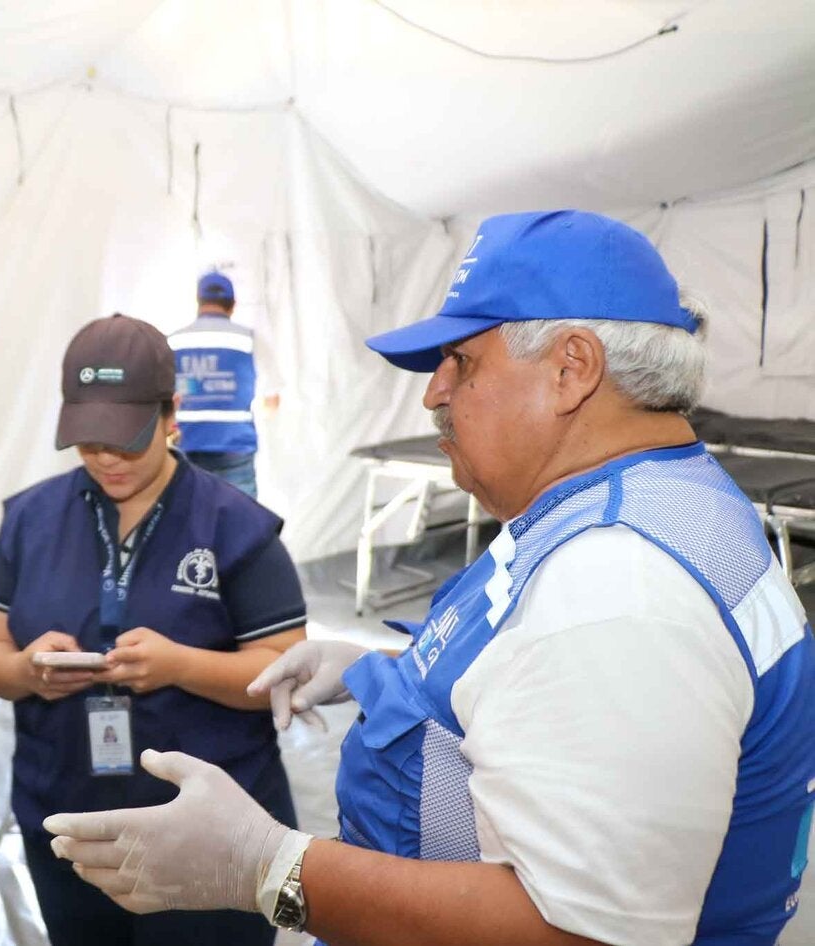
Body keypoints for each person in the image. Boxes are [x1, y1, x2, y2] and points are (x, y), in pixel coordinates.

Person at [44, 211, 815, 946]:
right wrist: (384, 676)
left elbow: (580, 931)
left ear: (571, 369)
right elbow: (552, 693)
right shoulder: (638, 507)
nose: (433, 392)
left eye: (461, 363)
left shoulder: (621, 590)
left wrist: (269, 867)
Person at [0, 313, 309, 946]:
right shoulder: (31, 520)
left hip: (208, 832)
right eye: (88, 440)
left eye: (126, 438)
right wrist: (27, 671)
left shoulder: (235, 527)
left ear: (171, 411)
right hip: (69, 817)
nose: (105, 458)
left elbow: (286, 671)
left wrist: (181, 665)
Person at [168, 272, 277, 498]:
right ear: (232, 304)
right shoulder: (249, 340)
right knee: (240, 523)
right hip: (236, 445)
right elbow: (271, 401)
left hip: (188, 444)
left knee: (190, 521)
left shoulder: (174, 341)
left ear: (198, 301)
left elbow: (162, 399)